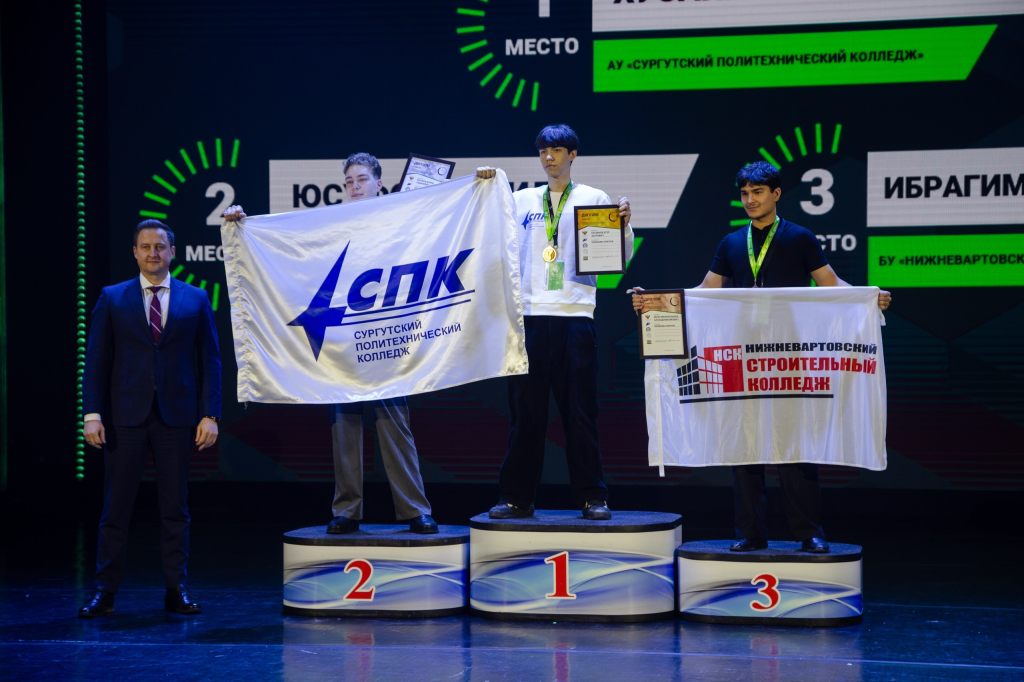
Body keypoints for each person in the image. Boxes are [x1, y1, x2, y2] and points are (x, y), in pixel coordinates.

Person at [633, 160, 892, 553]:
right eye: (744, 193)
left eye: (757, 192)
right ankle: (751, 533)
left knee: (796, 444)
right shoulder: (731, 243)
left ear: (776, 194)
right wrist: (654, 303)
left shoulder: (800, 237)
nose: (750, 200)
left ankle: (808, 532)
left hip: (789, 355)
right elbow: (704, 292)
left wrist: (870, 298)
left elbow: (831, 285)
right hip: (744, 355)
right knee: (745, 445)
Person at [223, 152, 438, 535]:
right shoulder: (330, 224)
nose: (354, 187)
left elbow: (439, 227)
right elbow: (286, 245)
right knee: (344, 428)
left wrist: (479, 185)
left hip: (384, 340)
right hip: (341, 343)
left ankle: (414, 510)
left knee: (395, 427)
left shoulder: (399, 221)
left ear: (379, 183)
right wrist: (242, 223)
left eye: (361, 179)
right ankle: (347, 511)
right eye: (349, 182)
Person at [477, 124, 634, 520]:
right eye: (544, 150)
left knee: (580, 413)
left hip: (574, 316)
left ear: (573, 155)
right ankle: (516, 498)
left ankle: (592, 497)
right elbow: (485, 223)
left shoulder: (593, 199)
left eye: (558, 150)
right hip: (529, 318)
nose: (549, 157)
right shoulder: (521, 200)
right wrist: (482, 185)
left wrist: (623, 225)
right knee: (525, 415)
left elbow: (618, 259)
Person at [79, 219, 221, 618]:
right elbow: (96, 361)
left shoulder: (196, 298)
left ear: (172, 252)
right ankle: (104, 592)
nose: (153, 253)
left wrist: (210, 413)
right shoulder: (113, 298)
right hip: (125, 418)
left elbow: (210, 361)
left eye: (160, 246)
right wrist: (92, 414)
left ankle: (177, 590)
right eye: (145, 247)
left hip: (177, 418)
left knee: (175, 509)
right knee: (116, 509)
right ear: (135, 253)